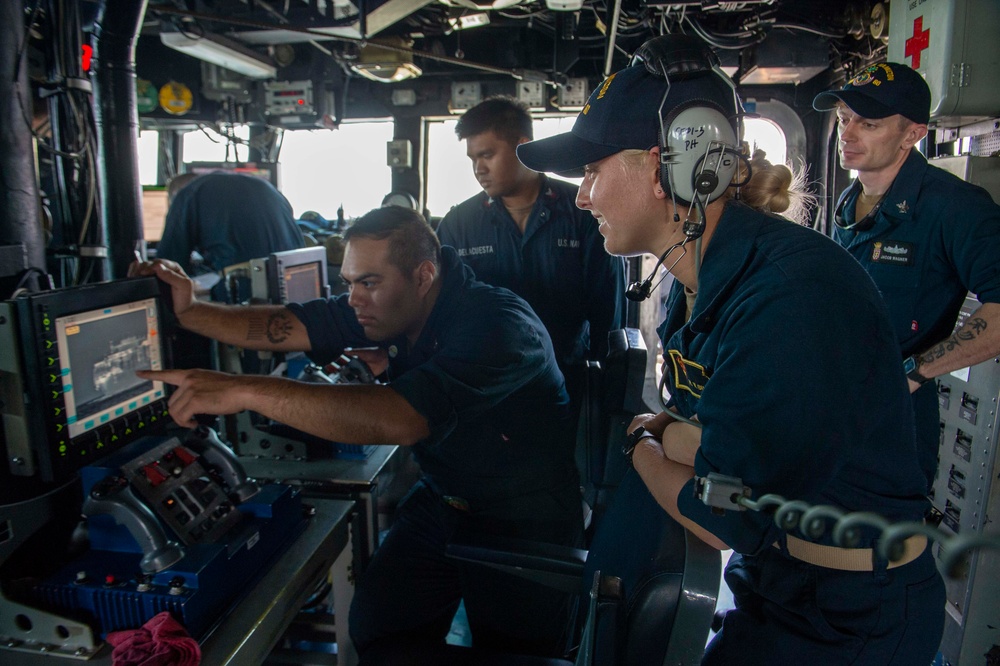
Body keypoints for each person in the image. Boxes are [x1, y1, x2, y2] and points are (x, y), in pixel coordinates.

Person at [517, 35, 944, 664]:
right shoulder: (694, 282)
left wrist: (640, 445)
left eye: (592, 169)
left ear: (674, 169)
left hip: (856, 615)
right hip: (781, 586)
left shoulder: (790, 295)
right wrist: (674, 441)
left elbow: (723, 519)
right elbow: (698, 433)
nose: (581, 197)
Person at [130, 206, 582, 663]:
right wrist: (190, 311)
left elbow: (401, 419)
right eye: (348, 283)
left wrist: (245, 389)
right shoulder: (393, 307)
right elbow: (290, 325)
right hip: (446, 498)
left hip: (521, 516)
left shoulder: (498, 324)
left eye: (368, 282)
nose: (353, 299)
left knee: (516, 653)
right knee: (378, 632)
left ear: (424, 275)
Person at [812, 62, 1000, 491]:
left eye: (869, 124)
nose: (847, 134)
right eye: (844, 119)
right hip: (836, 399)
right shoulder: (850, 198)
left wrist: (913, 374)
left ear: (912, 134)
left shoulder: (954, 207)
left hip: (895, 418)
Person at [436, 96, 626, 401]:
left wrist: (604, 393)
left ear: (523, 147)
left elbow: (607, 312)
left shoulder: (584, 212)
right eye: (472, 159)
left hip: (569, 382)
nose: (478, 169)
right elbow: (439, 309)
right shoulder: (459, 224)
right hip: (485, 388)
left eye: (486, 155)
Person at [156, 171, 305, 289]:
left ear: (174, 195)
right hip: (296, 282)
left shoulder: (188, 193)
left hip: (246, 287)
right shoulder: (265, 187)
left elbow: (168, 264)